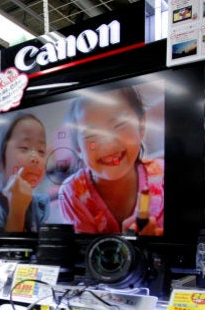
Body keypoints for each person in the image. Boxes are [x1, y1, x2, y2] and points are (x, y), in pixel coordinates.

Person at [58, 86, 164, 235]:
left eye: (120, 125)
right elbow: (83, 254)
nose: (108, 144)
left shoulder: (164, 177)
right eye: (91, 135)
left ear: (141, 126)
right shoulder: (72, 193)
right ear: (79, 149)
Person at [0, 113, 50, 233]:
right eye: (24, 148)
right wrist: (17, 209)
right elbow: (4, 250)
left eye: (41, 151)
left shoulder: (43, 205)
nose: (35, 158)